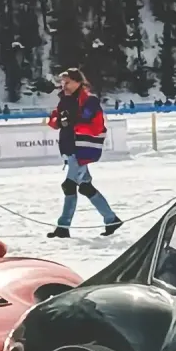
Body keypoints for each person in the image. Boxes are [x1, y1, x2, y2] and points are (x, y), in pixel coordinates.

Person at [46, 68, 121, 238]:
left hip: (80, 149)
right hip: (68, 148)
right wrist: (59, 122)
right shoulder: (64, 100)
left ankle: (63, 227)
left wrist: (72, 123)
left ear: (78, 82)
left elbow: (95, 125)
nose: (64, 86)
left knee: (69, 185)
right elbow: (53, 119)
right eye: (62, 83)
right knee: (86, 187)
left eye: (67, 82)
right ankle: (111, 219)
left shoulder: (89, 101)